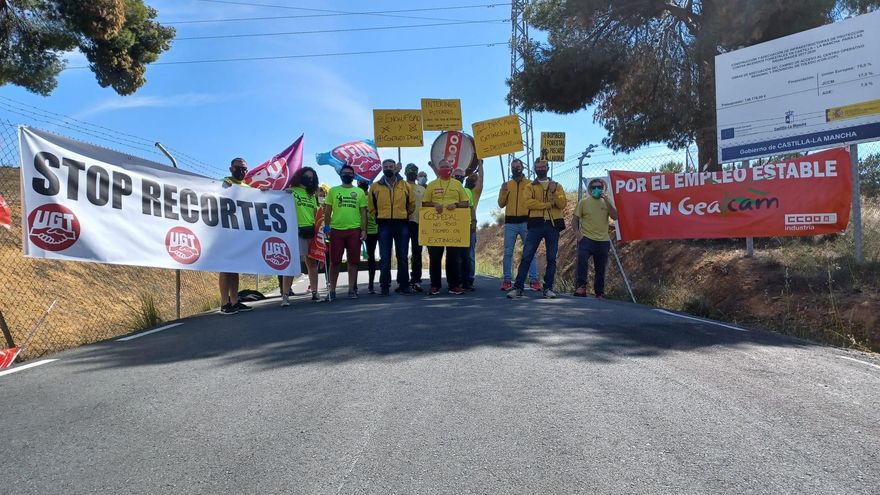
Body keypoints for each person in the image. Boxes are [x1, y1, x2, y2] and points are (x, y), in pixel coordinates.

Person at [508, 159, 567, 299]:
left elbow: (562, 203)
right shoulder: (530, 186)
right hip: (535, 225)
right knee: (527, 256)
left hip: (553, 225)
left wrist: (553, 192)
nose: (540, 169)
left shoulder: (557, 186)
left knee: (551, 258)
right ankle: (518, 287)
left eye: (543, 166)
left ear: (547, 167)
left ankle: (548, 288)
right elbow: (528, 203)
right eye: (538, 167)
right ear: (534, 169)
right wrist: (547, 205)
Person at [422, 159, 470, 295]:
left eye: (447, 167)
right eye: (442, 167)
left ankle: (454, 285)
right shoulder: (431, 185)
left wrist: (456, 205)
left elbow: (465, 203)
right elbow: (425, 203)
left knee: (453, 258)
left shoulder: (457, 185)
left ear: (451, 169)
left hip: (453, 227)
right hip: (435, 228)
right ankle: (435, 285)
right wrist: (434, 205)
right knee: (435, 258)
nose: (445, 169)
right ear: (438, 168)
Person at [369, 159, 415, 296]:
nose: (388, 168)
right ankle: (384, 286)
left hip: (401, 224)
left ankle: (404, 284)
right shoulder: (375, 187)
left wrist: (404, 214)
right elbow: (371, 206)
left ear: (395, 168)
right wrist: (378, 215)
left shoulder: (405, 185)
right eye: (386, 167)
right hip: (384, 225)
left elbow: (411, 204)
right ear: (382, 169)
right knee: (385, 257)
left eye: (391, 166)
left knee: (402, 256)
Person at [324, 165, 367, 301]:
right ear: (340, 175)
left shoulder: (359, 192)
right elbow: (327, 210)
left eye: (350, 173)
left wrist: (364, 230)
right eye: (344, 173)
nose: (347, 174)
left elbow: (363, 212)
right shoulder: (333, 191)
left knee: (353, 261)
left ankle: (351, 289)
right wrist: (326, 227)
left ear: (353, 176)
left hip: (354, 230)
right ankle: (332, 290)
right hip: (336, 230)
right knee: (334, 261)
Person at [219, 158, 255, 315]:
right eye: (238, 168)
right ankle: (224, 303)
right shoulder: (223, 183)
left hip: (241, 232)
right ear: (231, 168)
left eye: (244, 168)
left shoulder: (247, 187)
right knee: (225, 267)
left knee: (235, 268)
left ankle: (235, 300)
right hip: (225, 231)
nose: (242, 171)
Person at [498, 159, 541, 292]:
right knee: (508, 252)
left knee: (530, 252)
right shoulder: (507, 184)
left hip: (526, 222)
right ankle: (507, 280)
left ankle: (534, 280)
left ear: (523, 167)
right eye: (513, 166)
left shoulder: (530, 184)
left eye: (518, 166)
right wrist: (503, 191)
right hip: (510, 223)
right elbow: (501, 204)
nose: (515, 168)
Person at [281, 167, 322, 306]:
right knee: (291, 263)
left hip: (310, 231)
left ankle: (315, 292)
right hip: (294, 231)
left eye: (312, 177)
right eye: (306, 176)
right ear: (300, 176)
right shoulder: (291, 191)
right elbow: (276, 198)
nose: (309, 179)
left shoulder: (312, 195)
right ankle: (285, 294)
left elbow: (315, 213)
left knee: (311, 264)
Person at [573, 179, 618, 299]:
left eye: (599, 187)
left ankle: (599, 292)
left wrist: (607, 200)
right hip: (586, 239)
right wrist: (578, 234)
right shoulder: (584, 202)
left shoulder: (607, 202)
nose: (596, 189)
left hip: (603, 241)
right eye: (593, 187)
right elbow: (575, 219)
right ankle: (581, 287)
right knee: (582, 262)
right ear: (590, 189)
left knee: (601, 267)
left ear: (603, 188)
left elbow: (615, 216)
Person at [463, 160, 484, 291]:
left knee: (469, 255)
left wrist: (480, 165)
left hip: (470, 226)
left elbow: (481, 178)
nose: (471, 178)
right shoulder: (458, 189)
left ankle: (469, 280)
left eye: (473, 178)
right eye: (470, 176)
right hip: (456, 226)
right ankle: (458, 279)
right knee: (458, 255)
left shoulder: (475, 192)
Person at [404, 163, 426, 292]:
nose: (411, 172)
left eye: (414, 171)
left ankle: (416, 280)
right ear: (406, 172)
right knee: (403, 254)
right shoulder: (401, 186)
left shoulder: (422, 189)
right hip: (404, 223)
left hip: (419, 223)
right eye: (409, 170)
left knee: (417, 253)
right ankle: (403, 280)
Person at [358, 180, 380, 294]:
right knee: (356, 258)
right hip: (359, 230)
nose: (361, 184)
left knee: (372, 258)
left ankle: (371, 284)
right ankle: (354, 286)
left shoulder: (373, 195)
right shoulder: (356, 195)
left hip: (375, 231)